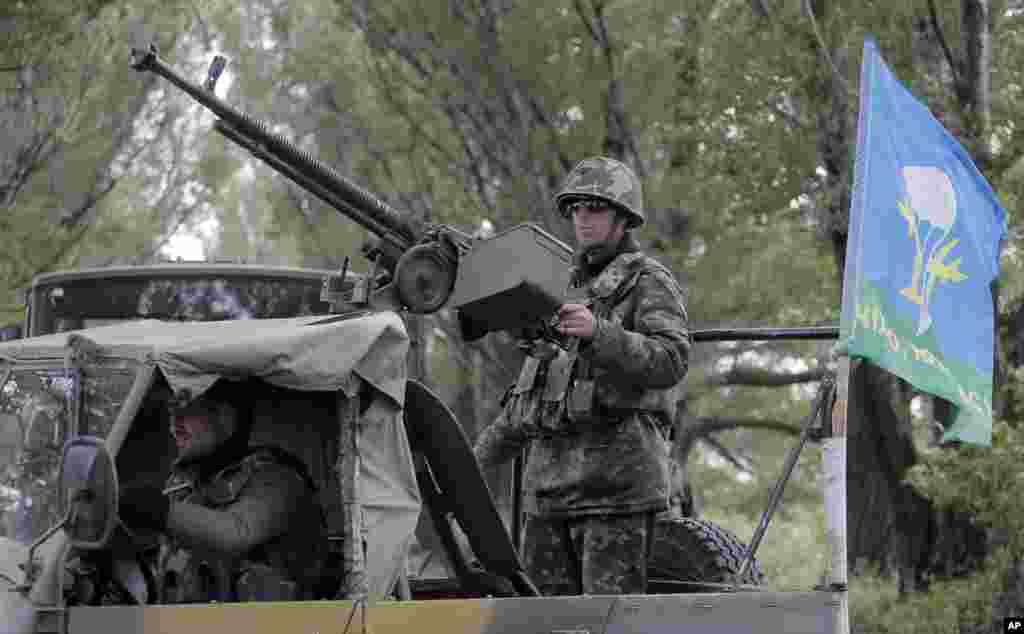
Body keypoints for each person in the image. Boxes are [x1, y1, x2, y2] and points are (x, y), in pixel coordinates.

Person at [474, 156, 691, 596]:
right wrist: (469, 462)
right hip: (549, 496)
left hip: (616, 493)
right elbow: (532, 399)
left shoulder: (647, 281)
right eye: (575, 209)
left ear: (623, 218)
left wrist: (601, 335)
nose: (583, 220)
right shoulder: (563, 287)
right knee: (543, 625)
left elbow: (671, 360)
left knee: (607, 624)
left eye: (595, 208)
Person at [117, 381, 328, 602]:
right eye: (171, 411)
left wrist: (155, 509)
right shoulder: (181, 487)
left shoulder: (278, 479)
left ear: (226, 416)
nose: (174, 424)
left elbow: (235, 531)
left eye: (185, 408)